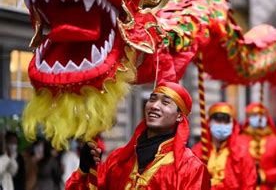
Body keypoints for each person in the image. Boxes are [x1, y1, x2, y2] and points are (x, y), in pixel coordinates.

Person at [66, 81, 210, 189]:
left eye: (165, 102)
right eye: (152, 99)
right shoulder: (118, 160)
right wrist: (84, 170)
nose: (154, 106)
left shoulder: (191, 169)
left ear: (179, 116)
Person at [192, 102, 257, 190]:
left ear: (233, 125)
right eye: (218, 121)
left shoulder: (242, 151)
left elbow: (249, 184)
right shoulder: (197, 150)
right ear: (209, 123)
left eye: (226, 122)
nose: (222, 125)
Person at [239, 102, 276, 190]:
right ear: (248, 119)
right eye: (254, 115)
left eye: (261, 115)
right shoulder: (239, 140)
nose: (258, 118)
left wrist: (265, 175)